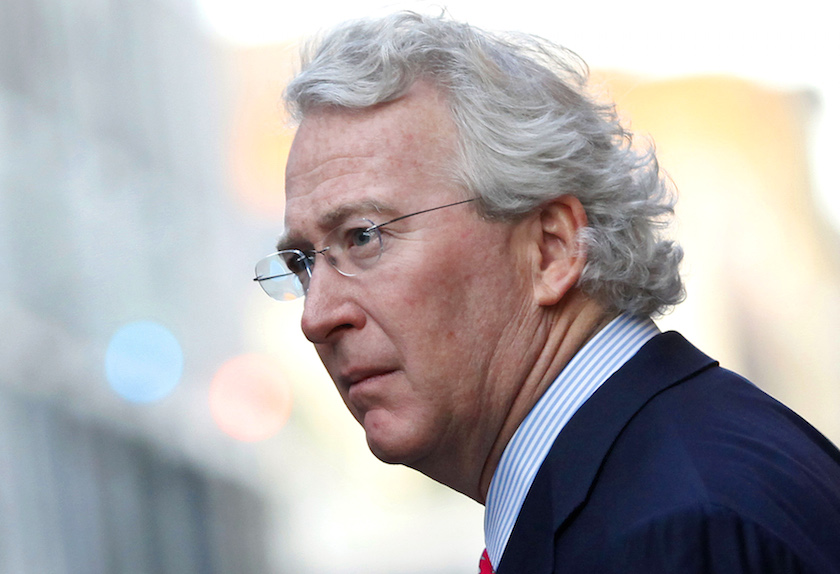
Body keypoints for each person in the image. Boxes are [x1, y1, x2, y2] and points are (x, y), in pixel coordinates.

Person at [253, 11, 840, 574]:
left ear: (551, 249)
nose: (316, 316)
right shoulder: (661, 480)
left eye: (363, 237)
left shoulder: (672, 531)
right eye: (302, 263)